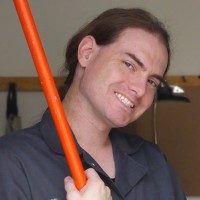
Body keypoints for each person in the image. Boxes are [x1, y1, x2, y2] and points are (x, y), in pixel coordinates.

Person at [0, 7, 186, 200]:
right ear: (87, 53)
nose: (140, 89)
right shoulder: (10, 162)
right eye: (129, 64)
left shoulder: (155, 163)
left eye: (151, 82)